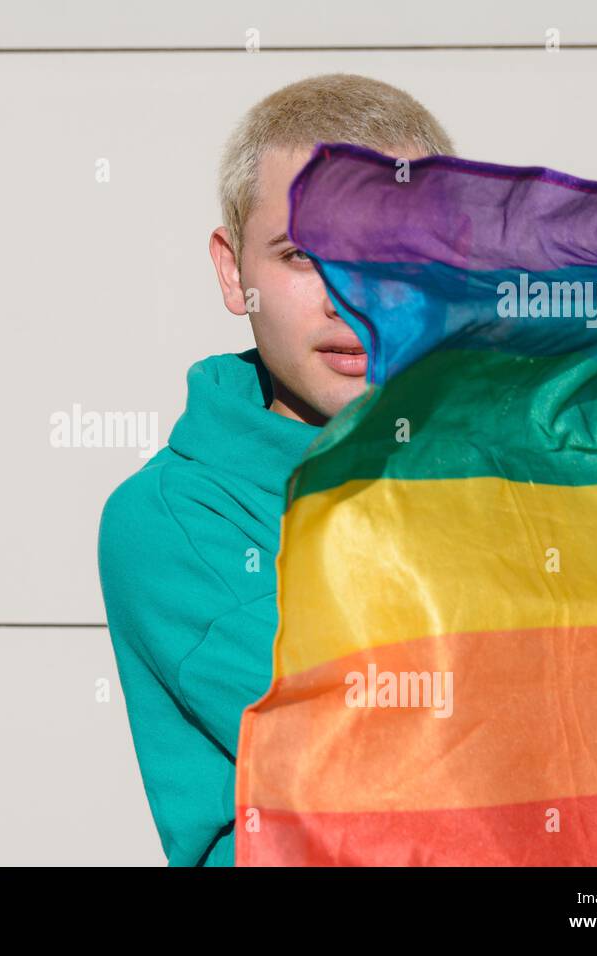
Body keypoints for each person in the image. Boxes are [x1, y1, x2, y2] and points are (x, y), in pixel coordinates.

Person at [96, 73, 455, 866]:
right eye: (302, 254)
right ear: (235, 273)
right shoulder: (176, 518)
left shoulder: (503, 464)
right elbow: (402, 765)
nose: (348, 297)